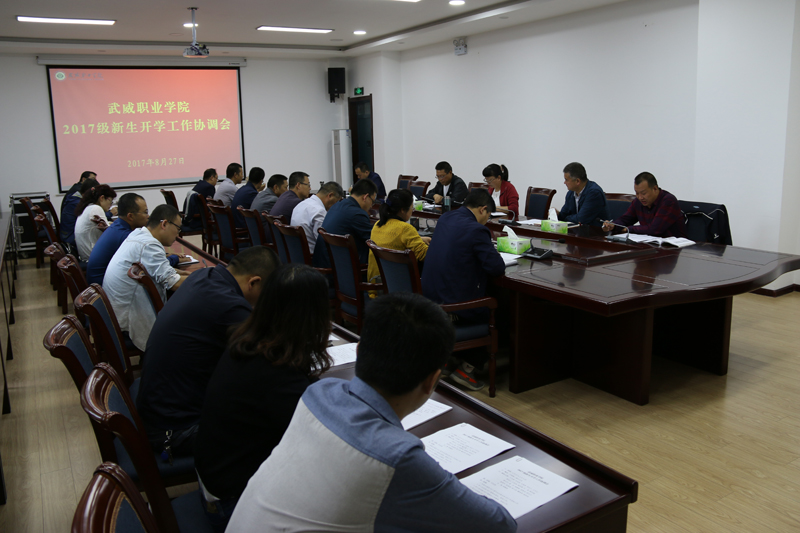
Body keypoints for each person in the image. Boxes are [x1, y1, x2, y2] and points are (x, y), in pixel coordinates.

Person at [226, 292, 516, 533]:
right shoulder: (396, 457)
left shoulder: (318, 393)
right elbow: (498, 525)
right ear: (432, 381)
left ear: (359, 350)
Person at [195, 264, 333, 531]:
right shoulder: (276, 373)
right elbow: (321, 440)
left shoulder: (250, 342)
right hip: (232, 504)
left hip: (215, 479)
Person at [137, 246, 280, 462]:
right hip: (175, 430)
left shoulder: (203, 276)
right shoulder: (229, 306)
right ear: (253, 282)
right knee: (275, 421)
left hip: (157, 410)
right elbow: (269, 357)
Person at [422, 188, 505, 391]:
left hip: (431, 299)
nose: (487, 221)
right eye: (488, 216)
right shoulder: (477, 230)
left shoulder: (446, 218)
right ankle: (467, 368)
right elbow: (496, 267)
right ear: (483, 209)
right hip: (453, 307)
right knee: (500, 309)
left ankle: (450, 360)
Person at [102, 205, 191, 351]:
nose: (178, 235)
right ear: (164, 224)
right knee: (192, 318)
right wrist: (205, 278)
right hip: (129, 319)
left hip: (116, 311)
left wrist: (184, 273)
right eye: (178, 228)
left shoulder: (138, 235)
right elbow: (174, 283)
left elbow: (157, 269)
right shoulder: (149, 244)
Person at [367, 188, 430, 288]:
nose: (412, 211)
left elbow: (392, 241)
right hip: (399, 289)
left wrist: (419, 239)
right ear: (403, 210)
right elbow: (426, 256)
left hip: (377, 285)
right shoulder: (405, 229)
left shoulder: (378, 224)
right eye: (411, 208)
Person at [86, 193, 150, 285]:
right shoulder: (125, 236)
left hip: (97, 283)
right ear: (130, 216)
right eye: (145, 212)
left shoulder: (117, 226)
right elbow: (149, 262)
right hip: (103, 286)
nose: (148, 216)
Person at [312, 177, 376, 268]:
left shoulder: (336, 205)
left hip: (324, 264)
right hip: (340, 269)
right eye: (372, 201)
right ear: (365, 197)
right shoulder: (358, 214)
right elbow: (374, 241)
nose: (371, 206)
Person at [602, 172, 687, 238]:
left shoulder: (668, 201)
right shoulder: (638, 202)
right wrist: (613, 225)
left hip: (673, 248)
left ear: (655, 189)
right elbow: (626, 219)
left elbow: (655, 229)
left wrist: (627, 229)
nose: (640, 197)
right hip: (649, 245)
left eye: (643, 193)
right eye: (637, 193)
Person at [290, 181, 343, 253]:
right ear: (330, 196)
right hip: (313, 255)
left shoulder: (301, 204)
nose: (335, 206)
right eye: (336, 202)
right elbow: (323, 241)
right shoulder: (319, 211)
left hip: (298, 253)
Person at [556, 162, 607, 227]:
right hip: (577, 230)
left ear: (577, 181)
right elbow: (563, 215)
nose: (564, 182)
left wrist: (566, 218)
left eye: (566, 180)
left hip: (595, 231)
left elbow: (581, 219)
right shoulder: (571, 193)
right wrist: (557, 214)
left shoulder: (594, 193)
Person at [74, 183, 116, 261]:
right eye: (110, 201)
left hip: (86, 255)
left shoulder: (87, 208)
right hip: (93, 256)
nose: (110, 205)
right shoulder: (96, 208)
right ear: (102, 198)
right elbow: (109, 233)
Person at [60, 177, 99, 246]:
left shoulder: (74, 198)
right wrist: (110, 213)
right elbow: (93, 217)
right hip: (70, 237)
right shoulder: (77, 203)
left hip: (69, 233)